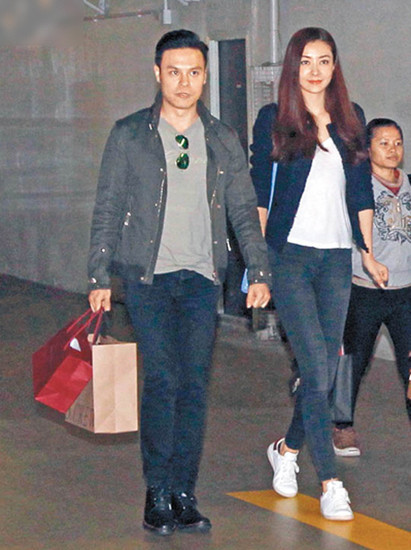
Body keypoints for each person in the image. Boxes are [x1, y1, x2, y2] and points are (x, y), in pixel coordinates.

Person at [87, 29, 271, 536]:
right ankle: (157, 491)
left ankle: (184, 493)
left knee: (192, 384)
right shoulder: (130, 135)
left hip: (201, 278)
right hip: (148, 278)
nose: (183, 82)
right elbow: (109, 206)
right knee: (163, 379)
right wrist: (99, 273)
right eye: (174, 72)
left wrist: (258, 270)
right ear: (157, 74)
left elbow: (243, 210)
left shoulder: (222, 138)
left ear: (205, 77)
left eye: (193, 73)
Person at [250, 27, 388, 521]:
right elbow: (259, 193)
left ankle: (286, 450)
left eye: (324, 61)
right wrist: (259, 263)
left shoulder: (352, 120)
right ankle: (330, 482)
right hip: (289, 258)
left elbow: (361, 191)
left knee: (323, 372)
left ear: (335, 66)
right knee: (315, 366)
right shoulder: (275, 119)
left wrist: (367, 252)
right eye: (306, 61)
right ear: (293, 67)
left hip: (334, 261)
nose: (314, 70)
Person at [333, 118, 411, 456]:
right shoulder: (358, 187)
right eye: (384, 143)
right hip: (365, 290)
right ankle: (342, 426)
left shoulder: (409, 184)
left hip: (406, 292)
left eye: (398, 143)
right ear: (367, 149)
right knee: (354, 362)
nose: (393, 150)